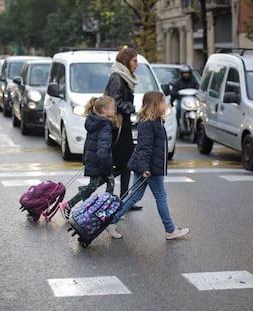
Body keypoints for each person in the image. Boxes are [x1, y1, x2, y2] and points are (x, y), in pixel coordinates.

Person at [106, 91, 190, 240]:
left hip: (148, 166)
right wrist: (145, 168)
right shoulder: (148, 124)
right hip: (149, 168)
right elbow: (144, 148)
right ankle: (170, 229)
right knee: (160, 196)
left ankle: (112, 220)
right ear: (155, 105)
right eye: (163, 102)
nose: (165, 105)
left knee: (135, 196)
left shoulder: (155, 121)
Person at [59, 95, 116, 220]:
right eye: (112, 108)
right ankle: (71, 205)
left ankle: (100, 208)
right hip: (99, 161)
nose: (114, 110)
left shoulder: (94, 121)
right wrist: (106, 164)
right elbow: (103, 146)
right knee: (103, 184)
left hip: (93, 159)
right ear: (104, 110)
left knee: (104, 183)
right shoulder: (104, 125)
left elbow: (89, 143)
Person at [104, 47, 142, 211]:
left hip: (123, 124)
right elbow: (114, 102)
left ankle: (124, 199)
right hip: (118, 125)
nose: (137, 64)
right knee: (122, 163)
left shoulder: (124, 77)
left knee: (126, 163)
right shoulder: (117, 78)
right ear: (126, 61)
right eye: (134, 60)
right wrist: (131, 108)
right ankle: (92, 188)